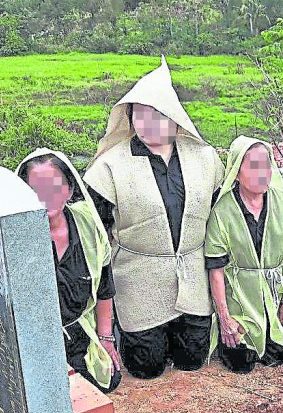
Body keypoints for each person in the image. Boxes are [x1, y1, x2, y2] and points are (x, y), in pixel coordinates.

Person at [84, 57, 224, 379]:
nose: (147, 124)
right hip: (139, 280)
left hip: (192, 276)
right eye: (140, 115)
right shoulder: (109, 168)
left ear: (175, 119)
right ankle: (124, 329)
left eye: (157, 115)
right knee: (147, 368)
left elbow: (217, 215)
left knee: (193, 360)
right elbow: (96, 235)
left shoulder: (204, 158)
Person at [17, 149, 121, 392]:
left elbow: (105, 287)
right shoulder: (15, 236)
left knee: (107, 382)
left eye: (54, 187)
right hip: (36, 341)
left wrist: (105, 337)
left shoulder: (87, 225)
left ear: (69, 190)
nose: (45, 197)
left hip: (79, 329)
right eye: (35, 190)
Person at [206, 137, 283, 373]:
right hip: (240, 301)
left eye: (266, 165)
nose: (262, 173)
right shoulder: (222, 211)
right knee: (241, 363)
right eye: (254, 166)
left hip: (275, 297)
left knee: (278, 356)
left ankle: (273, 327)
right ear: (237, 173)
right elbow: (216, 270)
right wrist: (225, 318)